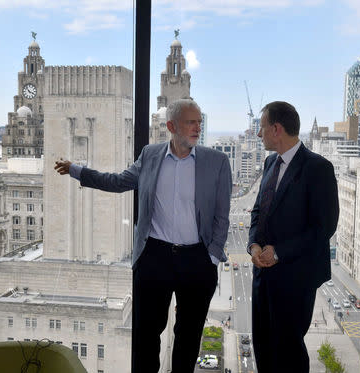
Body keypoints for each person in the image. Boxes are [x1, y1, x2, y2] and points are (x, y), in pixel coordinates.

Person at [54, 99, 232, 373]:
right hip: (154, 257)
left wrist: (211, 258)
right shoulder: (150, 155)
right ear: (172, 126)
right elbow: (117, 182)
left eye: (199, 122)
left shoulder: (217, 162)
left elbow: (222, 214)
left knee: (188, 337)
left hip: (197, 260)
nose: (198, 127)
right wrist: (77, 171)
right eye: (190, 122)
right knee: (146, 335)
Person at [247, 101, 339, 373]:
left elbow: (324, 228)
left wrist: (278, 252)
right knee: (262, 347)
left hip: (295, 278)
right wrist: (253, 244)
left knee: (288, 353)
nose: (258, 134)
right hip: (262, 277)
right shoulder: (269, 162)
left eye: (261, 128)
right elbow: (258, 211)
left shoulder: (318, 168)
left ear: (276, 129)